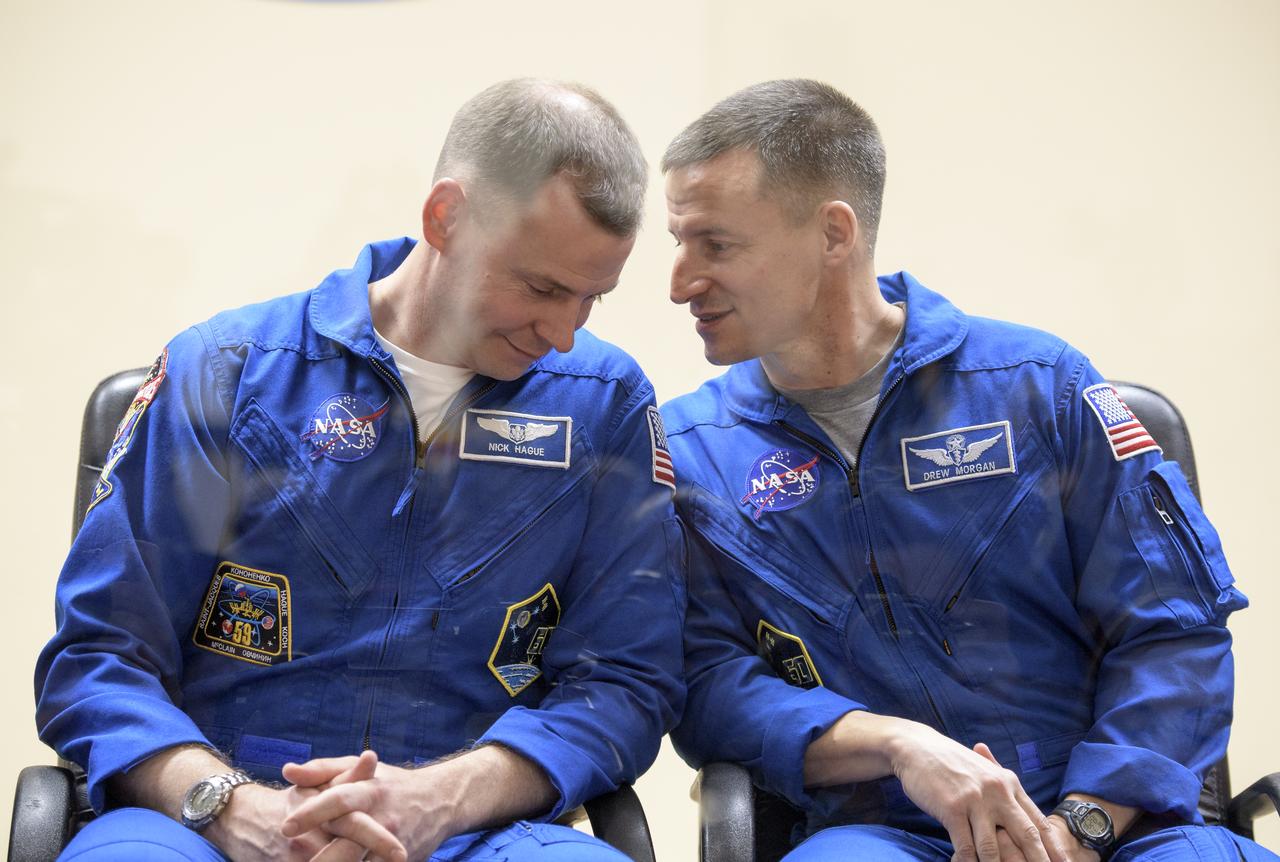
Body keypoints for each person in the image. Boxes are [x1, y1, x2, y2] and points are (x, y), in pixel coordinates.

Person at [35, 79, 686, 862]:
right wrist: (233, 808)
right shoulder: (227, 375)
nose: (563, 334)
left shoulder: (603, 405)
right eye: (542, 287)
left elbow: (623, 681)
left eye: (592, 300)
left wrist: (439, 800)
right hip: (208, 822)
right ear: (445, 217)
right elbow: (102, 659)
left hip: (472, 828)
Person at [660, 79, 1273, 862]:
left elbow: (1172, 632)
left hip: (1119, 827)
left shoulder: (1039, 385)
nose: (680, 282)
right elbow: (708, 685)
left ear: (832, 234)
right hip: (883, 832)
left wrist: (1080, 828)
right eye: (677, 243)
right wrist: (897, 745)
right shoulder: (692, 453)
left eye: (715, 245)